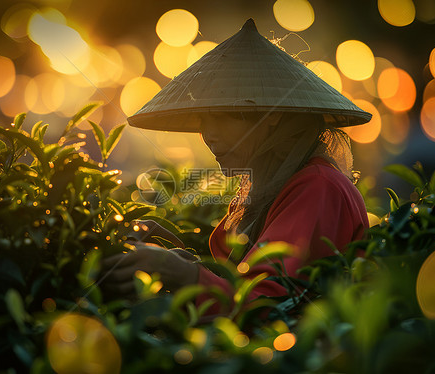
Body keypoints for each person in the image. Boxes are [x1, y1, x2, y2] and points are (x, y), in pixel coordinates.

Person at [101, 19, 370, 313]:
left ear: (271, 115)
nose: (208, 135)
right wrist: (176, 254)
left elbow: (266, 304)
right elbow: (239, 279)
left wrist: (179, 271)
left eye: (222, 116)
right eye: (203, 120)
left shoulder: (318, 186)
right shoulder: (269, 182)